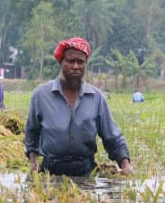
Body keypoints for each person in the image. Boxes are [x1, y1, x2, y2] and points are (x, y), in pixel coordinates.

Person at [25, 37, 132, 176]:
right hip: (51, 170)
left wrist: (126, 165)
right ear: (61, 62)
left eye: (80, 62)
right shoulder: (40, 95)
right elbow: (32, 133)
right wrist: (33, 164)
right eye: (70, 61)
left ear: (85, 64)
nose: (76, 66)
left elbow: (112, 137)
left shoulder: (96, 97)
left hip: (86, 170)